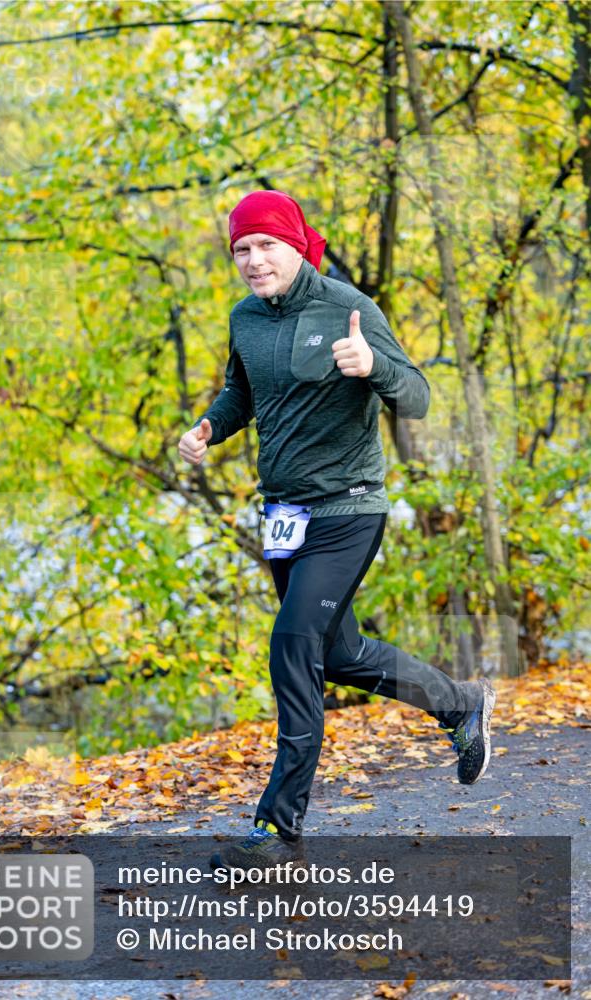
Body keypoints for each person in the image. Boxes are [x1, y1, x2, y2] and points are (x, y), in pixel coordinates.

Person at [178, 190, 496, 873]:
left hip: (348, 509)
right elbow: (245, 393)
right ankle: (458, 704)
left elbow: (414, 393)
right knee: (339, 652)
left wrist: (370, 366)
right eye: (241, 249)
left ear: (295, 244)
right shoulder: (245, 319)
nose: (253, 259)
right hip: (284, 514)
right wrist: (209, 426)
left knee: (292, 645)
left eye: (265, 245)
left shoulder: (348, 309)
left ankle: (277, 828)